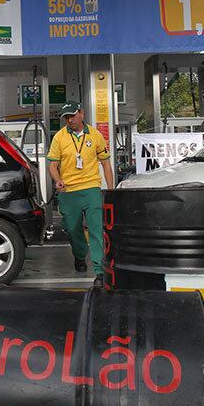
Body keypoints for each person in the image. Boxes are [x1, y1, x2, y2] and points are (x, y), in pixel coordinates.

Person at [46, 101, 114, 287]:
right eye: (66, 117)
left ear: (81, 113)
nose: (70, 120)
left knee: (96, 230)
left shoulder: (95, 135)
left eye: (72, 115)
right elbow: (52, 164)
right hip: (68, 191)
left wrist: (110, 190)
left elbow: (106, 164)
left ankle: (100, 271)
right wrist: (57, 179)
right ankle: (79, 254)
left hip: (91, 187)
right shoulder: (59, 137)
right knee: (73, 229)